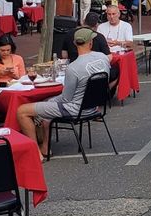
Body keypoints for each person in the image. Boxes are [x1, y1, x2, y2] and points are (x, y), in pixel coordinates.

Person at [17, 27, 110, 159]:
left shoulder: (73, 67)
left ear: (74, 43)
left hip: (75, 110)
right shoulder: (103, 58)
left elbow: (66, 99)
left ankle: (35, 153)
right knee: (48, 102)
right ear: (90, 43)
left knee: (22, 110)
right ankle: (45, 146)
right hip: (94, 107)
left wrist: (49, 101)